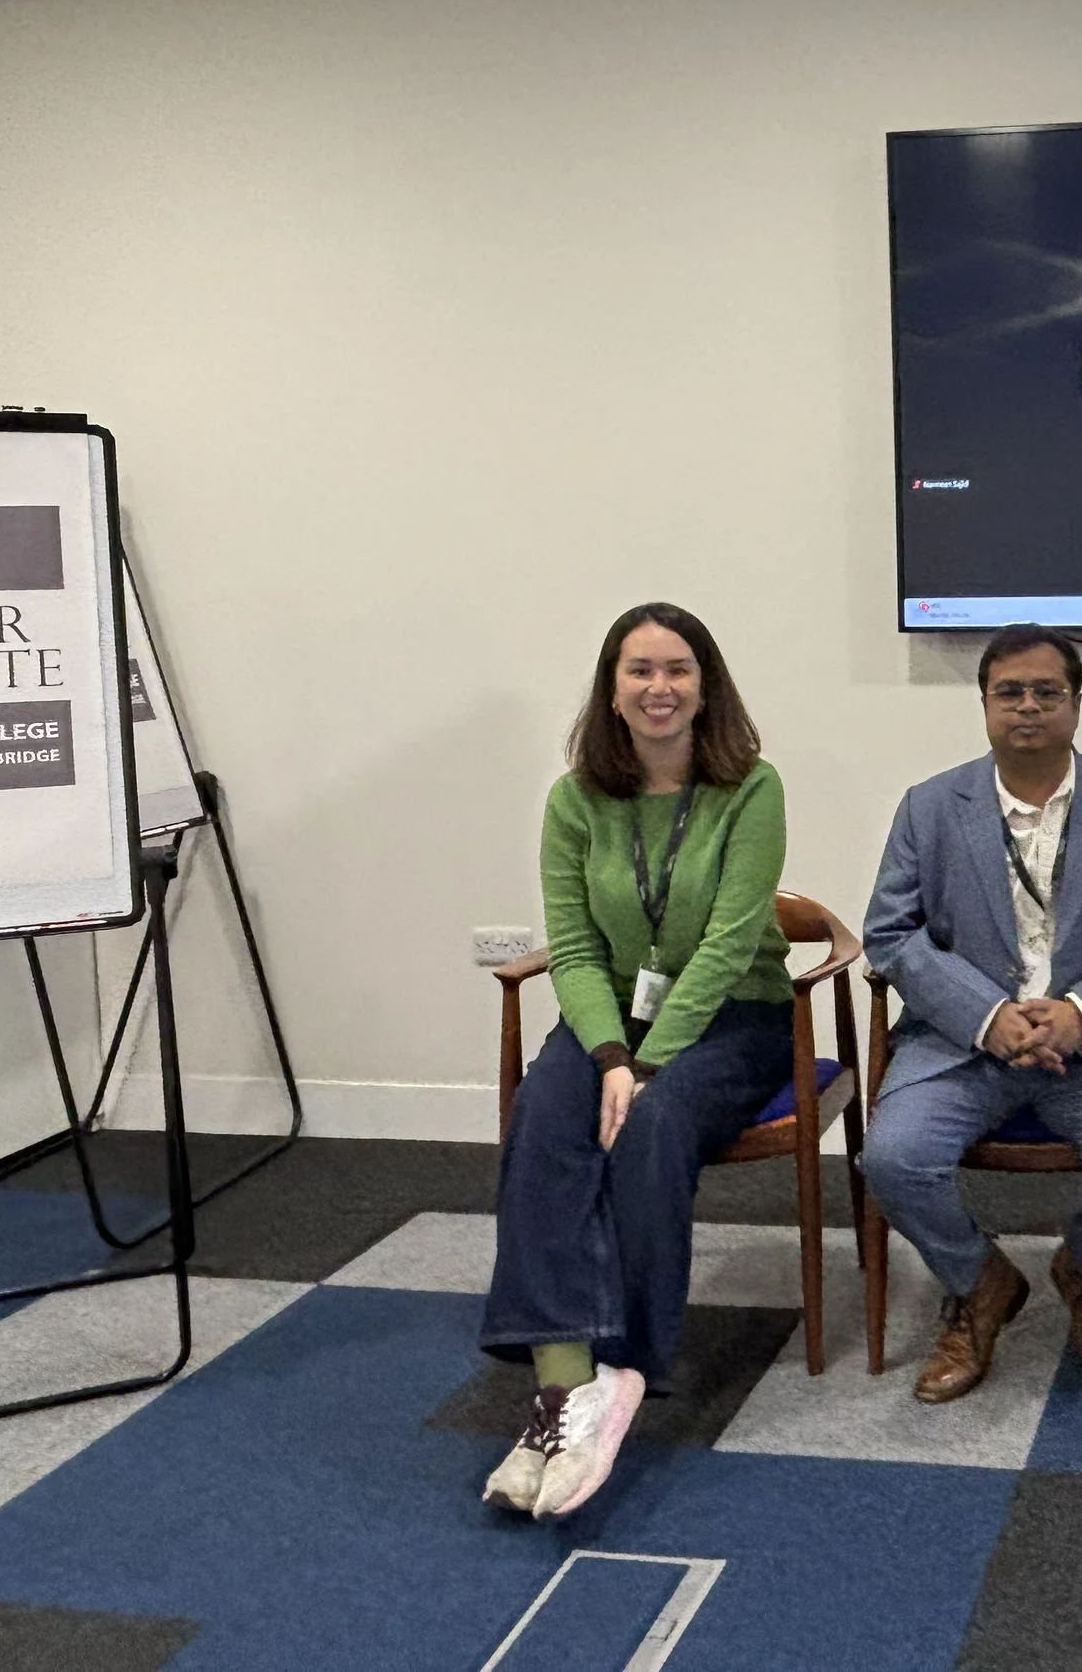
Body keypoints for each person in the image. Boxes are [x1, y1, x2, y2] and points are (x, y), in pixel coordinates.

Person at [477, 603, 794, 1520]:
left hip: (735, 1016)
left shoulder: (751, 787)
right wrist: (612, 1052)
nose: (659, 687)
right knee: (544, 1114)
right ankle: (561, 1386)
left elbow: (732, 943)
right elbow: (572, 951)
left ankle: (624, 1368)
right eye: (639, 670)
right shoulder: (574, 800)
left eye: (678, 670)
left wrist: (646, 1067)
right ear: (611, 691)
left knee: (650, 1125)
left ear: (707, 686)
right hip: (608, 1018)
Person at [863, 624, 1082, 1401]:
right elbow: (889, 932)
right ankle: (980, 1280)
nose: (1028, 707)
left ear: (1077, 704)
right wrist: (987, 1015)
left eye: (1046, 692)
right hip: (963, 1042)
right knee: (893, 1157)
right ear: (983, 704)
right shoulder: (930, 806)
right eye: (1008, 692)